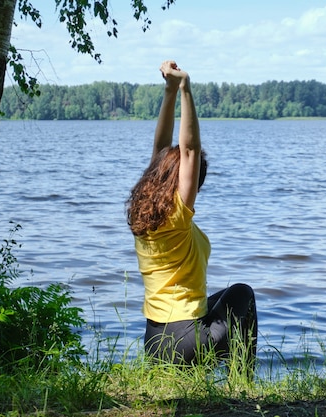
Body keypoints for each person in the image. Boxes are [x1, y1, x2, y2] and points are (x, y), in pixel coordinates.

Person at [126, 60, 257, 369]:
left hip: (155, 342)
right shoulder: (176, 218)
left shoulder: (144, 215)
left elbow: (162, 150)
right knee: (241, 294)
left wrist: (168, 91)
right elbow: (189, 150)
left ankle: (207, 374)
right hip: (184, 343)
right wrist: (185, 88)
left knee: (222, 296)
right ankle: (243, 382)